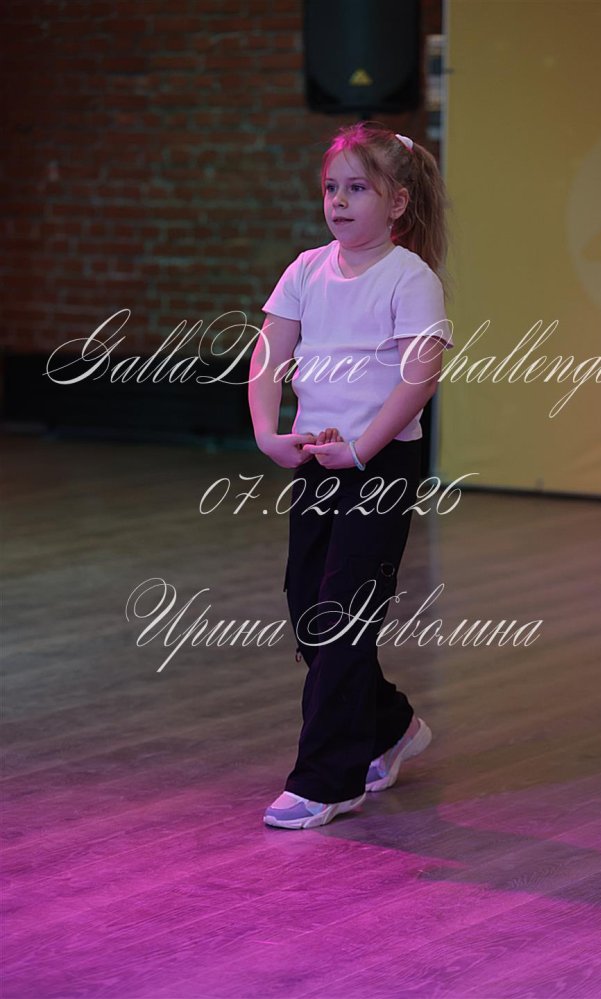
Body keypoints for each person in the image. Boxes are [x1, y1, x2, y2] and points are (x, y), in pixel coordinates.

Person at [248, 121, 454, 830]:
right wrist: (268, 432)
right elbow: (269, 353)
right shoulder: (307, 269)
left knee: (341, 616)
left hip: (380, 466)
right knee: (310, 612)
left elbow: (419, 377)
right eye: (331, 188)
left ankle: (327, 779)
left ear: (397, 202)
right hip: (319, 459)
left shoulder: (410, 278)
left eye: (356, 188)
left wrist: (364, 449)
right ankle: (390, 725)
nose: (338, 201)